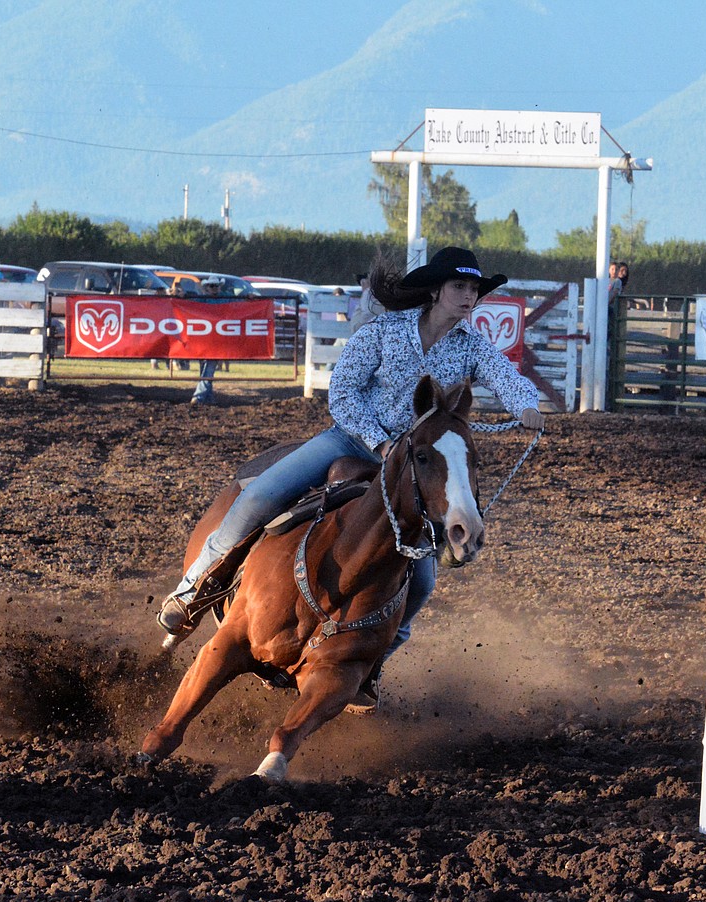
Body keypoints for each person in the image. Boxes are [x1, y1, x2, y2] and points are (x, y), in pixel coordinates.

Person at [157, 246, 545, 711]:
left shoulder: (472, 348)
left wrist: (526, 405)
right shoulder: (384, 331)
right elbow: (343, 390)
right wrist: (378, 440)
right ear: (437, 291)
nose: (469, 296)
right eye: (459, 287)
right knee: (259, 496)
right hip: (350, 442)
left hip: (409, 472)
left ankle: (369, 665)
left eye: (474, 289)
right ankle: (192, 589)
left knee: (422, 579)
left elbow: (507, 375)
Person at [190, 277, 224, 405]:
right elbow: (188, 303)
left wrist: (249, 297)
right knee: (205, 367)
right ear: (207, 288)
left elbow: (241, 302)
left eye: (216, 286)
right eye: (211, 286)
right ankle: (208, 398)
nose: (214, 288)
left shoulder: (227, 298)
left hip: (216, 340)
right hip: (204, 339)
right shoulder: (201, 299)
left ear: (219, 287)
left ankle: (199, 397)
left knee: (209, 366)